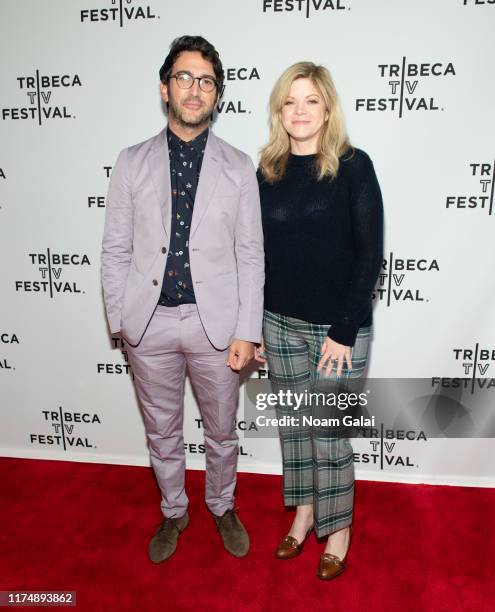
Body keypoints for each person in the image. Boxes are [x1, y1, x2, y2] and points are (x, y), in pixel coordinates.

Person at [100, 35, 264, 563]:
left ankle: (221, 505)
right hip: (148, 325)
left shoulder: (239, 167)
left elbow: (251, 255)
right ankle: (174, 510)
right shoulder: (131, 162)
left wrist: (247, 330)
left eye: (207, 81)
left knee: (221, 431)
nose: (195, 89)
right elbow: (115, 249)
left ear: (217, 95)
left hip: (216, 327)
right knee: (161, 431)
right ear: (165, 88)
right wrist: (121, 319)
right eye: (185, 78)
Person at [255, 62, 383, 579]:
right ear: (279, 111)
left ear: (327, 108)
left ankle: (340, 528)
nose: (300, 110)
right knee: (294, 429)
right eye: (291, 101)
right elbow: (253, 256)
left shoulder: (353, 166)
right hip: (277, 323)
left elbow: (369, 254)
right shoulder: (266, 171)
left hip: (338, 329)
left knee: (327, 431)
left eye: (311, 100)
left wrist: (343, 329)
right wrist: (251, 326)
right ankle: (305, 514)